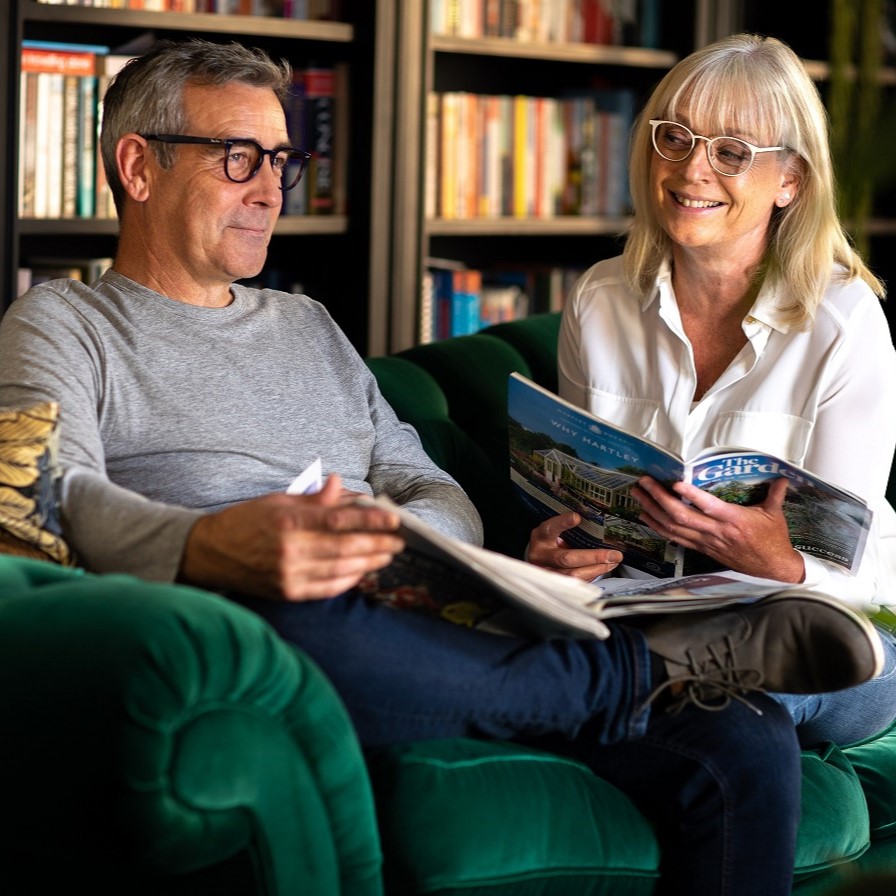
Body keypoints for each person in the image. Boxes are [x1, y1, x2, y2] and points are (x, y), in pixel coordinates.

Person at [0, 38, 882, 895]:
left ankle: (639, 671)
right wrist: (214, 546)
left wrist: (396, 547)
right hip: (264, 617)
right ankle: (639, 672)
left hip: (412, 615)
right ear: (137, 165)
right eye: (239, 157)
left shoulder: (308, 326)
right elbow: (45, 495)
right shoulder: (60, 327)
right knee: (291, 627)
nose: (271, 189)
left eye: (280, 160)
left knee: (745, 736)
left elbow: (425, 481)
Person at [528, 33, 896, 751]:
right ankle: (659, 682)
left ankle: (650, 685)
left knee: (794, 664)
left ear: (790, 180)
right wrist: (553, 552)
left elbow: (859, 567)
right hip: (646, 612)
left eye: (731, 151)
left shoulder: (844, 321)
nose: (692, 168)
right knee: (711, 708)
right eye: (676, 137)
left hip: (825, 623)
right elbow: (576, 494)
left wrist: (779, 563)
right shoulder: (601, 298)